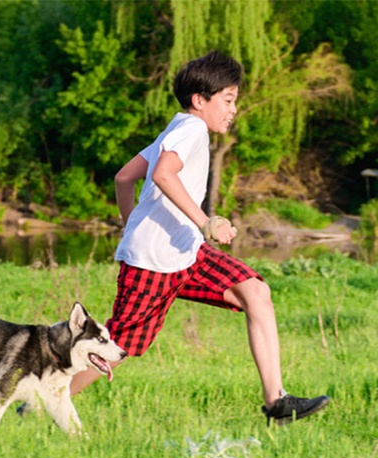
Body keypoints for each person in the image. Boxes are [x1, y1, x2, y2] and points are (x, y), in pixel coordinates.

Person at [69, 50, 330, 425]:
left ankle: (277, 403)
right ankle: (41, 399)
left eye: (234, 100)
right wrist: (206, 222)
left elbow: (124, 178)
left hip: (184, 254)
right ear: (199, 100)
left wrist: (131, 225)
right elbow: (162, 174)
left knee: (255, 292)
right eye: (228, 100)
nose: (233, 109)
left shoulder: (176, 128)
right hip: (154, 261)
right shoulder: (190, 129)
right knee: (119, 346)